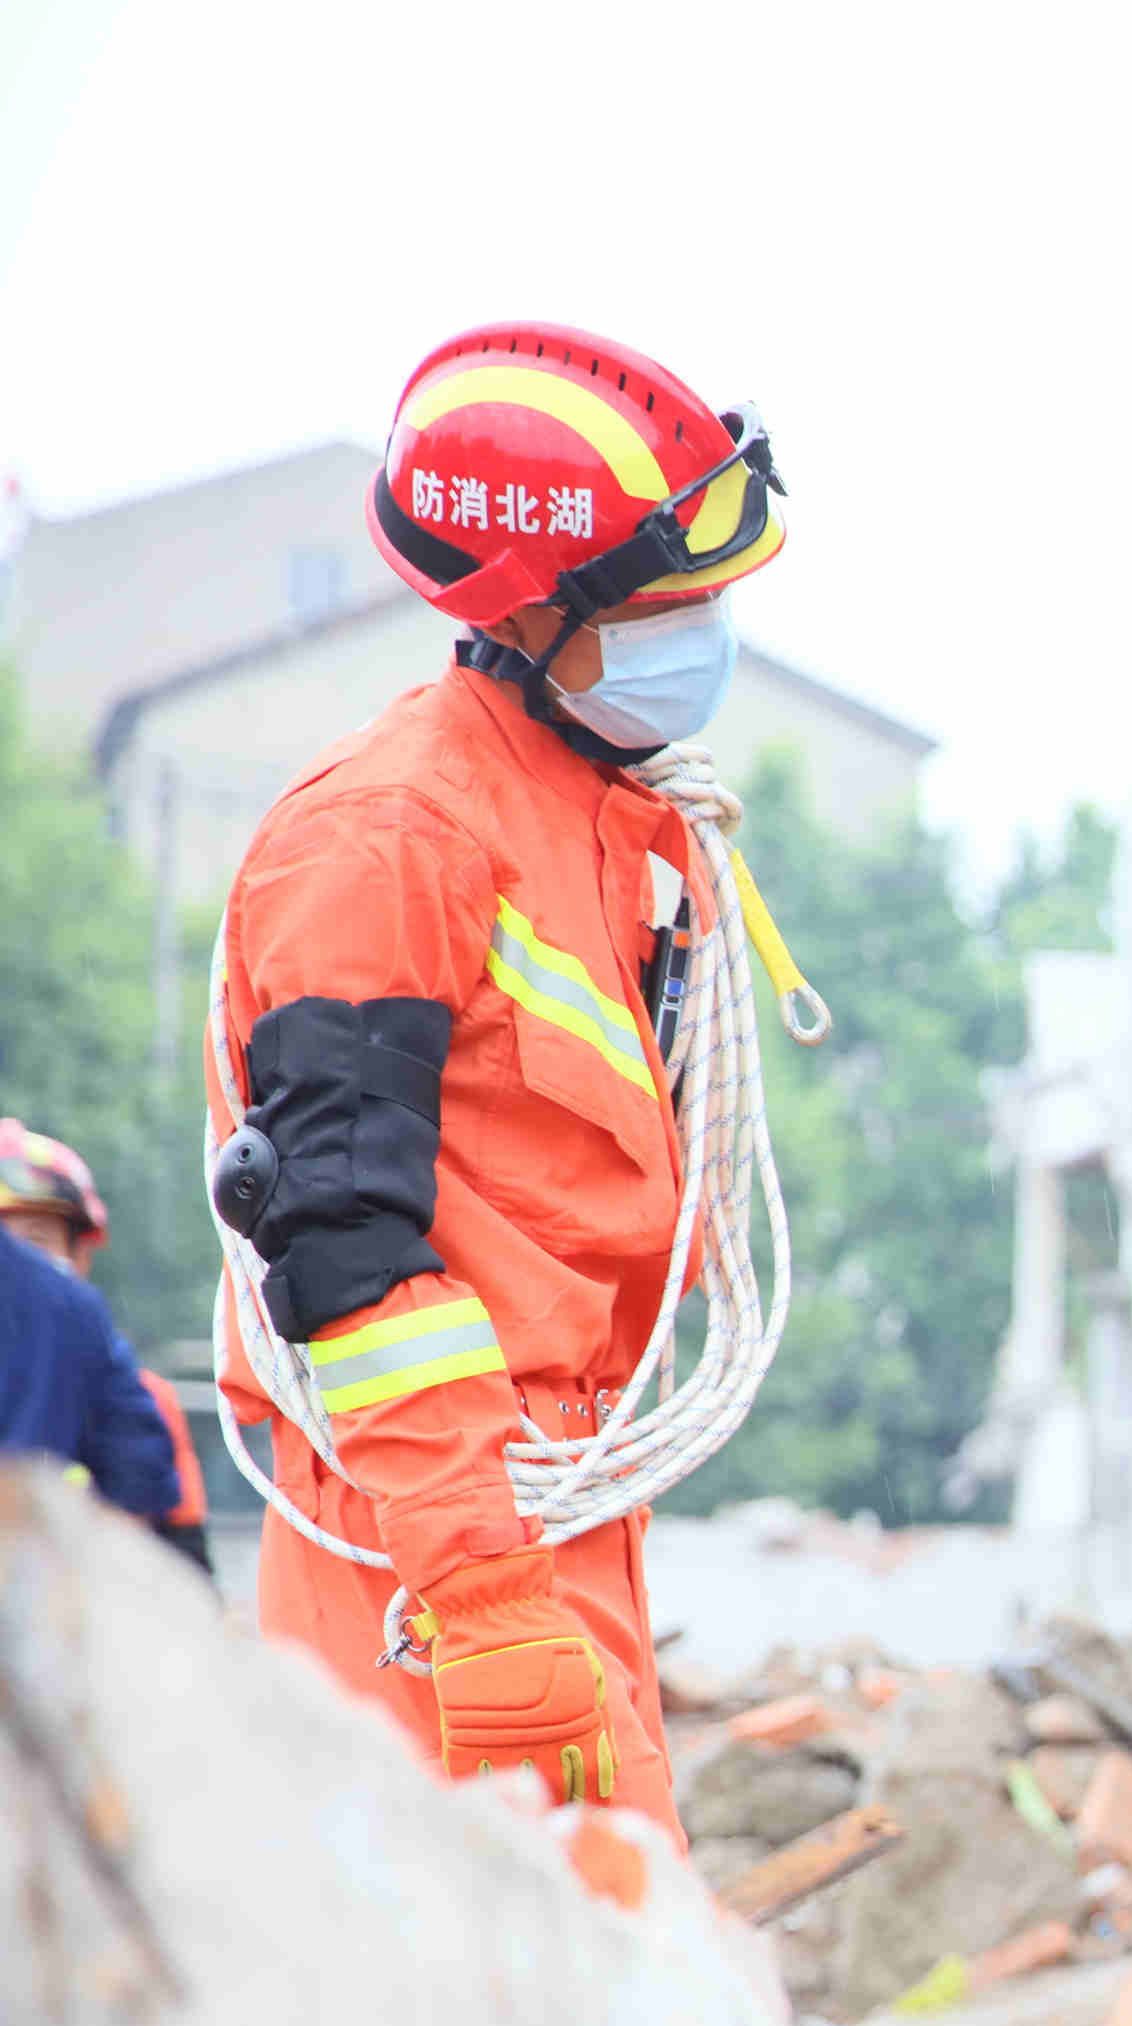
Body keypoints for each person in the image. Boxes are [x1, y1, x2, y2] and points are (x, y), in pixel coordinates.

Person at [206, 323, 795, 1839]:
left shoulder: (596, 822)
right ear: (533, 610)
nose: (709, 626)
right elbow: (335, 1240)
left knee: (602, 2006)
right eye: (673, 599)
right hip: (428, 1540)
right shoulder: (390, 838)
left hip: (555, 1505)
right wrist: (474, 1584)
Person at [0, 1119, 188, 1546]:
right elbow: (141, 1483)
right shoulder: (78, 1317)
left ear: (80, 1254)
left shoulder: (141, 1385)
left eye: (36, 1239)